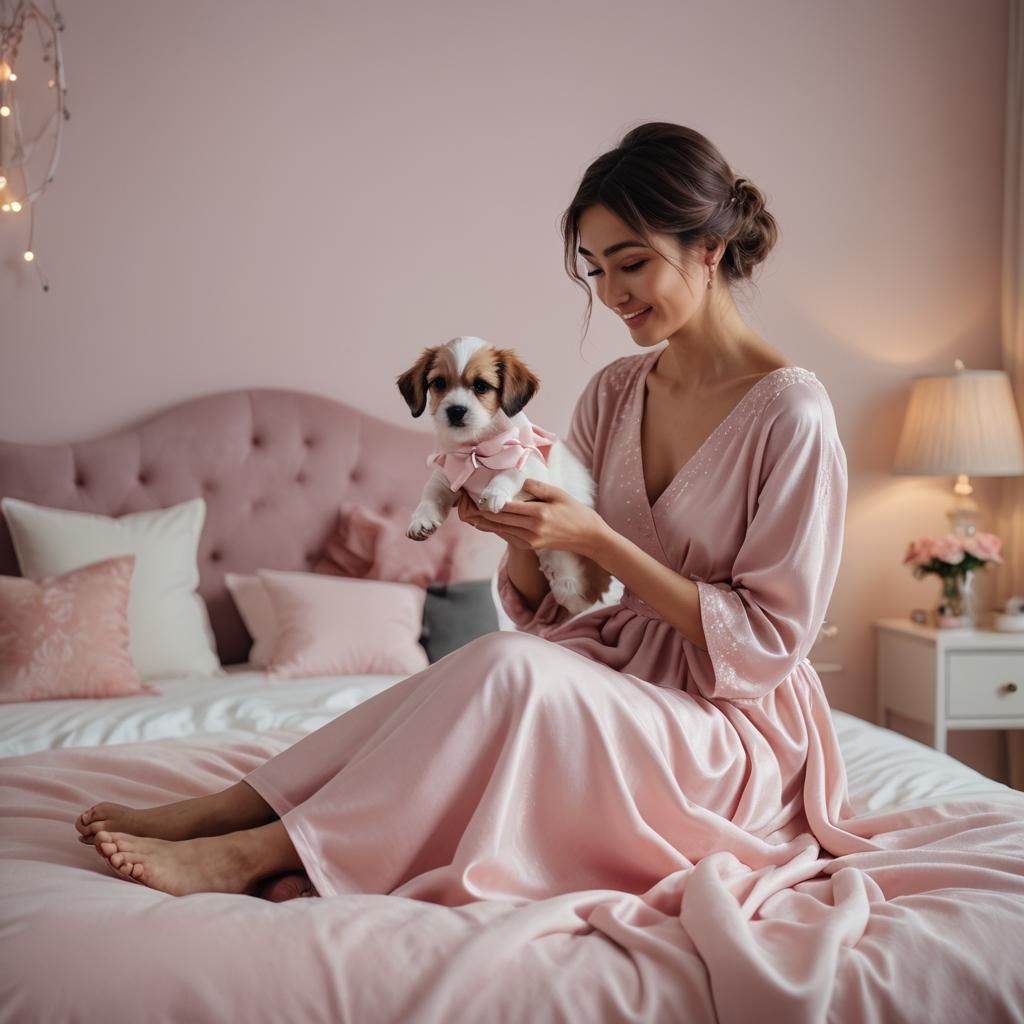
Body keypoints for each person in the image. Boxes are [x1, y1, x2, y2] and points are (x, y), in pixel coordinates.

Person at [75, 122, 855, 900]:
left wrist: (598, 541)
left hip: (725, 729)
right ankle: (228, 809)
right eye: (595, 269)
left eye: (632, 263)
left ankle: (259, 851)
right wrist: (521, 535)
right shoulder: (616, 393)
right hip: (612, 678)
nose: (612, 293)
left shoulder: (792, 416)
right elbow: (554, 610)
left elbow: (768, 643)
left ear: (710, 247)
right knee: (476, 666)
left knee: (503, 665)